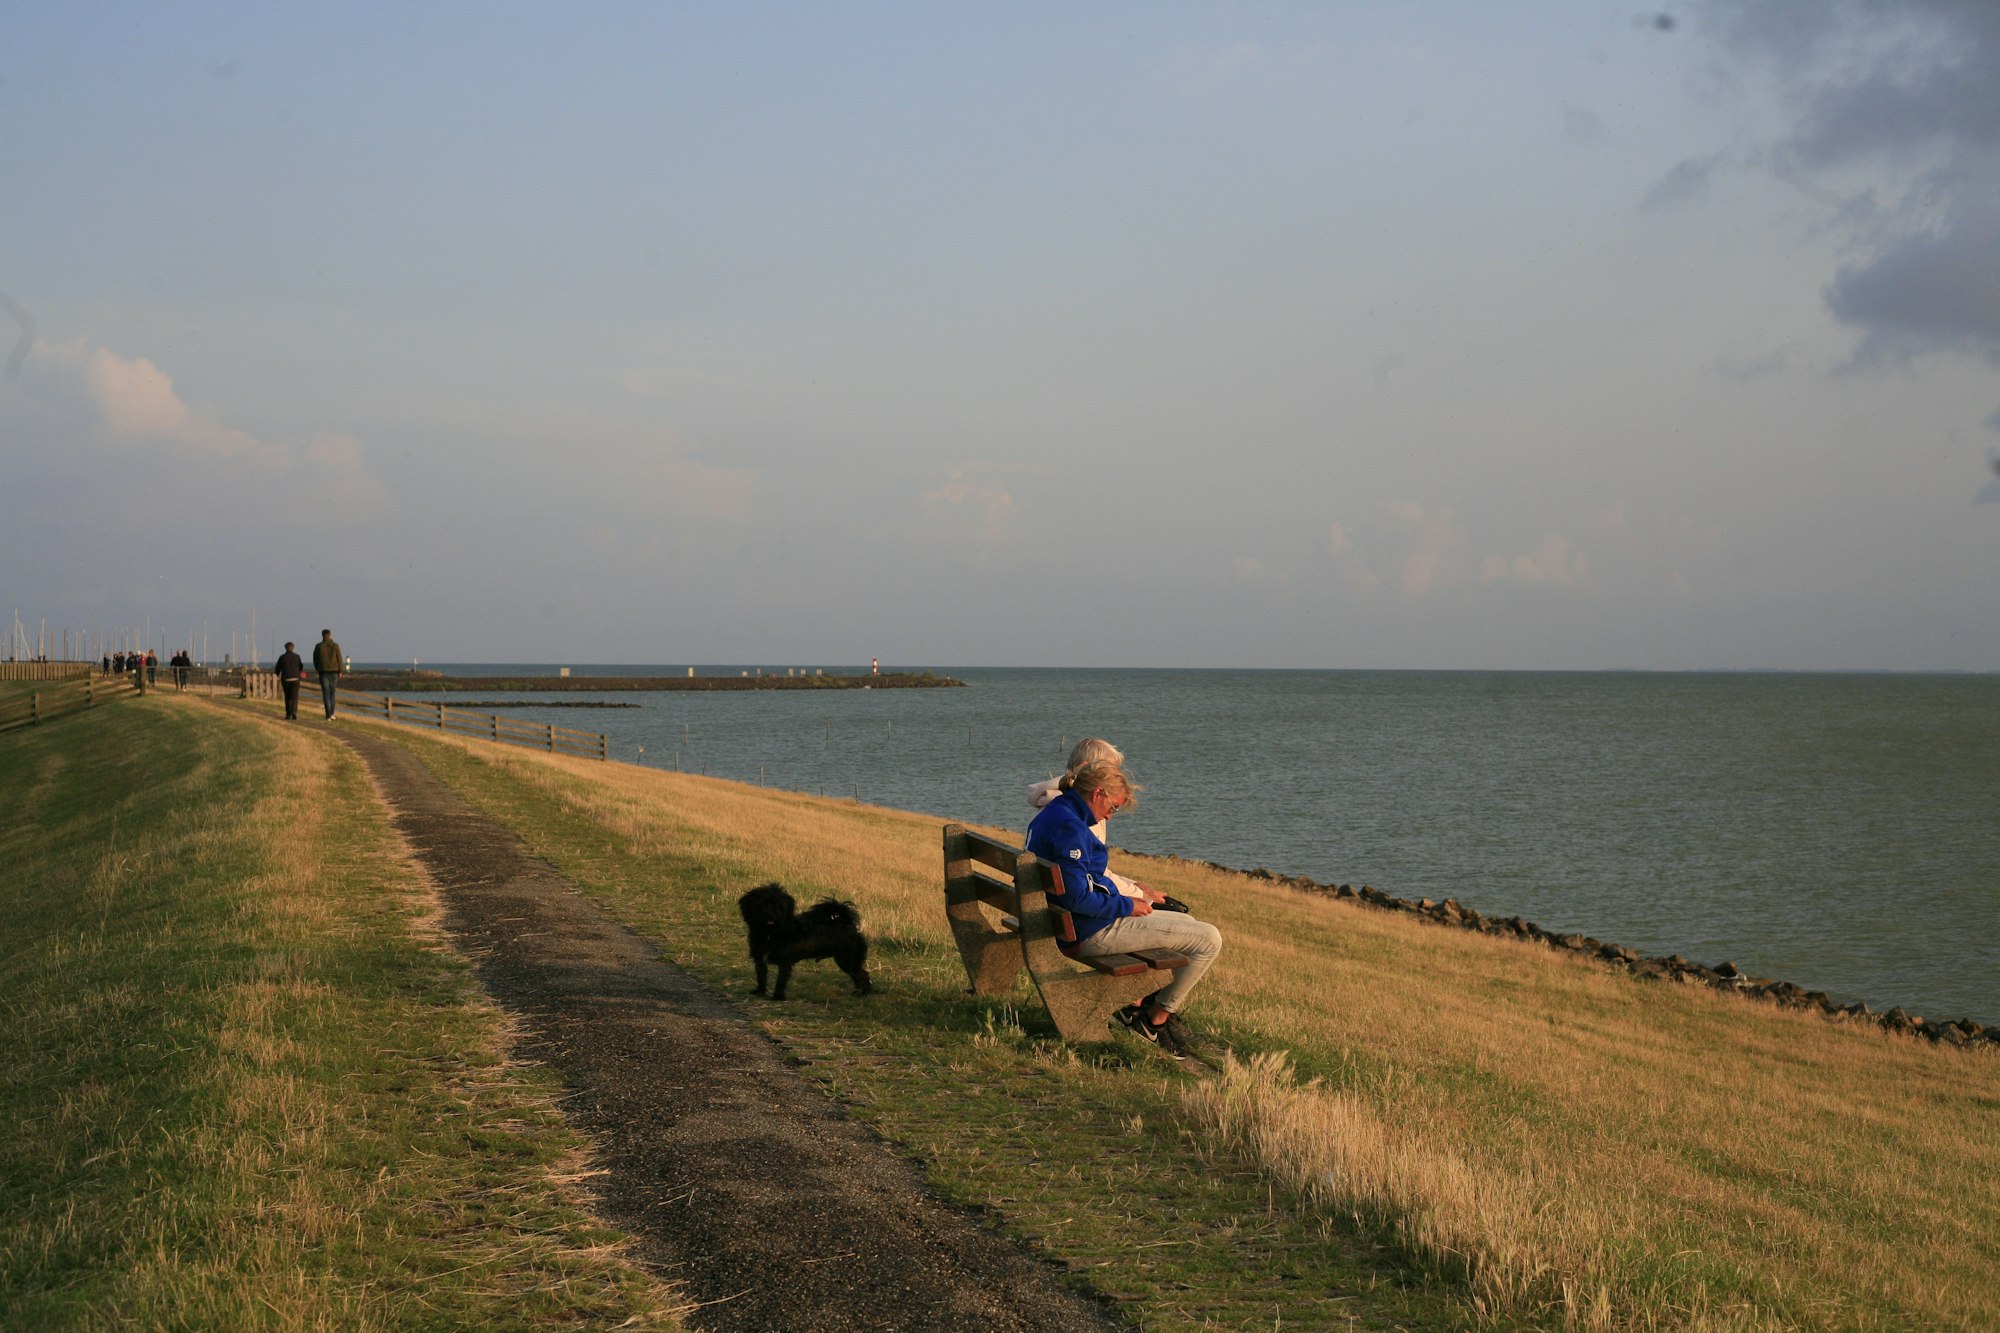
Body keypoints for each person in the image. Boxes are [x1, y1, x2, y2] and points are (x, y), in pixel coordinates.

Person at [1025, 757, 1222, 1053]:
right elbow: (1076, 898)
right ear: (1098, 794)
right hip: (1086, 931)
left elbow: (1081, 885)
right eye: (1113, 807)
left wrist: (1130, 897)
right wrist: (1127, 906)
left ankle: (1135, 1008)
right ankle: (1154, 1021)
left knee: (1190, 926)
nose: (1110, 816)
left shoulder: (1057, 813)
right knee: (1208, 939)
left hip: (1068, 923)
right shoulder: (1070, 830)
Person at [1027, 738, 1168, 908]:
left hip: (1062, 907)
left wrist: (1135, 887)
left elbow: (1092, 872)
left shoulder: (1059, 806)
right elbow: (1084, 887)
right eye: (1108, 771)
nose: (1117, 778)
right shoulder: (1074, 822)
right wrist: (1135, 898)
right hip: (1079, 916)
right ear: (1086, 769)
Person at [312, 628, 344, 720]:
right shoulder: (335, 646)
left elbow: (315, 659)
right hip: (334, 672)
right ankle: (332, 713)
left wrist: (318, 669)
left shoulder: (318, 646)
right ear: (330, 635)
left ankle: (328, 714)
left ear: (322, 635)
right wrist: (340, 671)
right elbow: (339, 659)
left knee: (326, 693)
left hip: (323, 672)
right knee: (332, 693)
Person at [273, 640, 307, 720]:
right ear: (293, 648)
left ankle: (288, 714)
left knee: (287, 697)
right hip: (295, 678)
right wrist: (299, 672)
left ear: (285, 648)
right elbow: (301, 666)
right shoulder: (297, 656)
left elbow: (277, 668)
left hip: (286, 679)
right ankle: (294, 712)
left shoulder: (282, 657)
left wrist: (277, 674)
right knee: (295, 696)